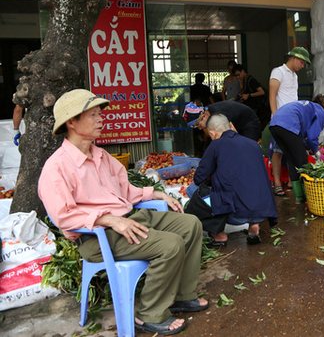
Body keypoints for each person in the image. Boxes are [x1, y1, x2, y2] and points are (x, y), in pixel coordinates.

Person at [38, 89, 207, 336]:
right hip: (98, 236)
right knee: (170, 245)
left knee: (191, 224)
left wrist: (155, 193)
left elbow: (125, 191)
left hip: (128, 218)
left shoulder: (100, 155)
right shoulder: (56, 168)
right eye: (92, 115)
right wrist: (108, 220)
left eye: (100, 114)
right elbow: (63, 216)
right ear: (71, 122)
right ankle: (149, 314)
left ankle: (181, 296)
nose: (100, 119)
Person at [185, 114, 278, 246]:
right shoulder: (253, 145)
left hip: (235, 215)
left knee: (193, 189)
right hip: (263, 211)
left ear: (212, 133)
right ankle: (254, 228)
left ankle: (219, 235)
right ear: (231, 126)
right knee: (250, 185)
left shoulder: (216, 145)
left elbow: (199, 178)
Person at [270, 94, 324, 203]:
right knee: (303, 163)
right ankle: (310, 199)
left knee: (291, 160)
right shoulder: (321, 111)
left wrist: (306, 148)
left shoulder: (309, 106)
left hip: (275, 124)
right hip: (288, 124)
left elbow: (301, 138)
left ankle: (299, 198)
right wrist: (316, 151)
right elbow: (311, 137)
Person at [268, 47, 311, 196]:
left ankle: (295, 184)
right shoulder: (278, 72)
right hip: (280, 121)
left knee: (293, 152)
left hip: (293, 121)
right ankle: (278, 183)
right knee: (278, 152)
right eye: (301, 62)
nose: (302, 65)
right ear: (293, 58)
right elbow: (272, 96)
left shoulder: (295, 76)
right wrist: (276, 117)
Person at [193, 100, 261, 142]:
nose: (199, 128)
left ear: (203, 116)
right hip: (237, 123)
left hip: (249, 123)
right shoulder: (208, 112)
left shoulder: (219, 115)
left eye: (198, 125)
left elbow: (234, 137)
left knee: (246, 149)